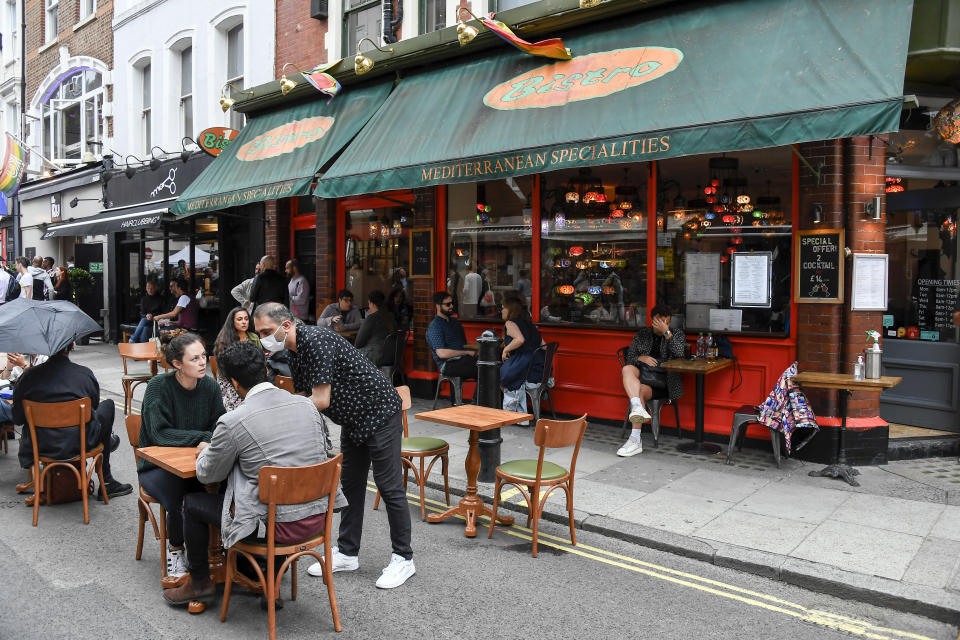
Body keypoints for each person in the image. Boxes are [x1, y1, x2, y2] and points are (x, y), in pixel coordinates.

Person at [161, 341, 347, 605]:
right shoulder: (307, 406)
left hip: (272, 528)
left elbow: (206, 475)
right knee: (279, 488)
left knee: (192, 503)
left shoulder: (234, 420)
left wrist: (206, 450)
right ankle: (269, 581)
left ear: (235, 383)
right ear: (265, 370)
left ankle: (200, 582)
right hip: (316, 520)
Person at [252, 303, 414, 589]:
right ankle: (348, 552)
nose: (264, 337)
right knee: (349, 486)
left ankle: (403, 558)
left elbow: (320, 399)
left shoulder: (315, 340)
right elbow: (303, 393)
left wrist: (281, 413)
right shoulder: (293, 350)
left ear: (286, 325)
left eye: (266, 331)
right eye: (260, 333)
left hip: (379, 413)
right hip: (353, 419)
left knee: (389, 487)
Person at [138, 333, 225, 583]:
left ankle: (219, 549)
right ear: (177, 364)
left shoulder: (210, 386)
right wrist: (202, 437)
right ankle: (176, 550)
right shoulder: (158, 387)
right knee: (179, 493)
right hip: (156, 466)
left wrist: (208, 438)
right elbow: (158, 433)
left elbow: (219, 424)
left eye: (203, 356)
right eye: (194, 358)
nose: (202, 363)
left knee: (229, 483)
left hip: (196, 463)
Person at [13, 344, 132, 500]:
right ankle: (108, 481)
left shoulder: (28, 377)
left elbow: (18, 419)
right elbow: (93, 409)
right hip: (80, 443)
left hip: (40, 446)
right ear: (70, 347)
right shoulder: (84, 374)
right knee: (108, 405)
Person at [617, 305, 685, 457]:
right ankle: (637, 411)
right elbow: (630, 358)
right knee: (627, 369)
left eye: (667, 322)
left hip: (665, 381)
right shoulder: (643, 334)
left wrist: (667, 333)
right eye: (660, 322)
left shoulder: (676, 334)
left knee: (638, 389)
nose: (664, 325)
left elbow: (681, 354)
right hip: (644, 378)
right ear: (652, 320)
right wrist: (641, 358)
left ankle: (635, 439)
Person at [499, 296, 546, 415]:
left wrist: (505, 350)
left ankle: (511, 410)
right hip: (540, 371)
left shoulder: (510, 323)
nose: (501, 310)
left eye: (503, 308)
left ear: (510, 310)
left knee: (496, 374)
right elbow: (545, 347)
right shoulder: (530, 325)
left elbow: (519, 340)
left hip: (526, 371)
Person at [212, 307, 261, 411]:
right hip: (230, 379)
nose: (244, 322)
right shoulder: (224, 339)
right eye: (239, 319)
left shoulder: (253, 337)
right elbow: (224, 367)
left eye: (246, 319)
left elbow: (260, 359)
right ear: (232, 322)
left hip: (251, 376)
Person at [425, 291, 477, 379]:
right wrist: (467, 352)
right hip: (447, 364)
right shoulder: (435, 326)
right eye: (448, 304)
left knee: (487, 365)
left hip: (463, 360)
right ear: (438, 306)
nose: (451, 306)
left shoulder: (455, 322)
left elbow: (464, 344)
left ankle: (479, 393)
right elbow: (442, 354)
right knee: (484, 368)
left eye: (452, 303)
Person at [354, 290, 393, 365]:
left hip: (376, 356)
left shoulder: (372, 318)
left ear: (371, 303)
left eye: (369, 303)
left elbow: (358, 344)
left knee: (349, 354)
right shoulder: (390, 316)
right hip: (391, 355)